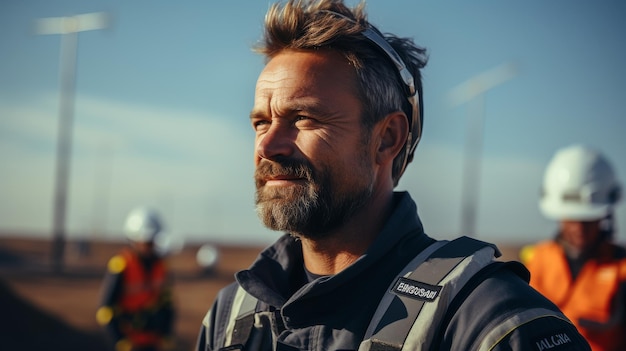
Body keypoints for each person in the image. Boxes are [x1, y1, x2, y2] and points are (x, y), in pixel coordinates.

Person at [196, 1, 591, 350]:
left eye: (303, 118)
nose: (268, 146)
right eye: (261, 123)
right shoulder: (231, 319)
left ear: (386, 139)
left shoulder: (487, 323)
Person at [521, 145, 625, 351]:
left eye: (588, 218)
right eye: (572, 218)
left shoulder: (621, 269)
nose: (579, 228)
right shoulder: (537, 261)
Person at [96, 207, 176, 351]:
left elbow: (167, 304)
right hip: (129, 341)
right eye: (147, 242)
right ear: (135, 240)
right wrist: (119, 340)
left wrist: (166, 334)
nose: (151, 247)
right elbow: (105, 310)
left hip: (153, 342)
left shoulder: (161, 267)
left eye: (153, 242)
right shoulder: (121, 265)